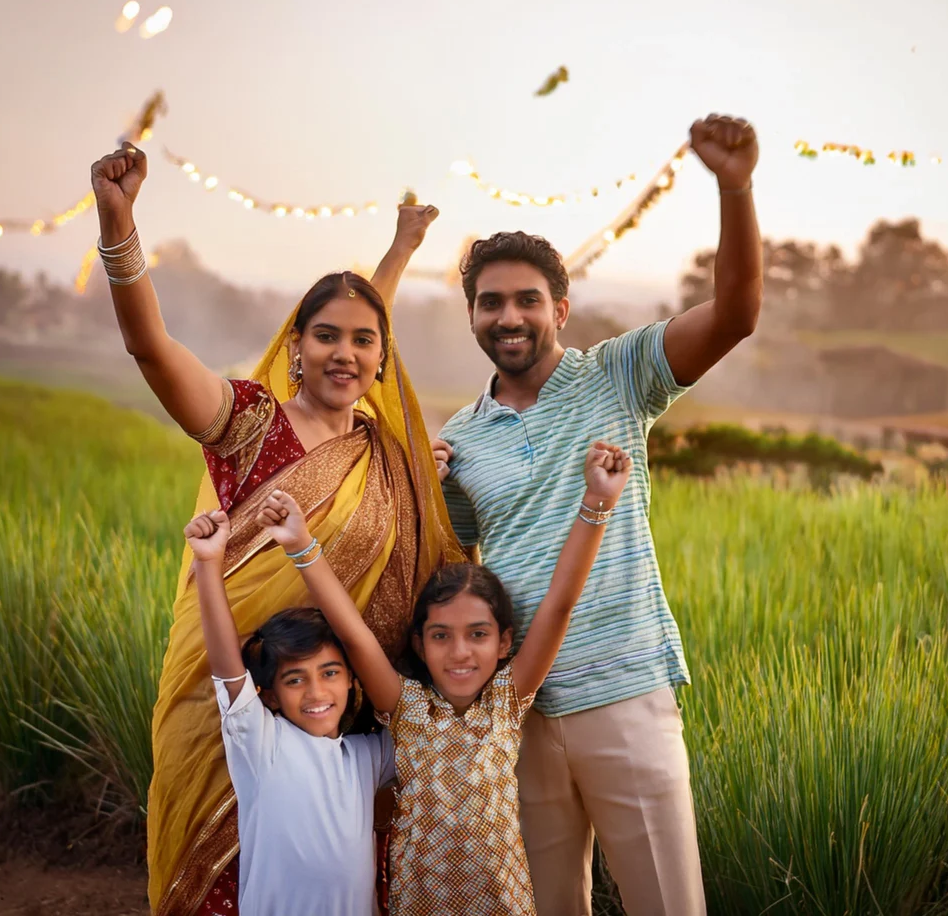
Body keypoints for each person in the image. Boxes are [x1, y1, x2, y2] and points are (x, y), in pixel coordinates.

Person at [89, 143, 464, 916]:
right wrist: (118, 221)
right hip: (230, 712)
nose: (345, 353)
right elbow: (150, 351)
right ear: (295, 346)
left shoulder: (385, 451)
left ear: (383, 357)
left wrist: (399, 249)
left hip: (345, 726)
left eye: (365, 342)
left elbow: (366, 318)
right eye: (326, 335)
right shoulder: (253, 424)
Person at [430, 114, 762, 915]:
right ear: (472, 316)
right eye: (489, 303)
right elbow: (450, 578)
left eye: (526, 301)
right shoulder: (459, 439)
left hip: (624, 695)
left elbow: (735, 313)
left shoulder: (619, 377)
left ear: (562, 308)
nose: (508, 317)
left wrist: (735, 187)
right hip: (522, 711)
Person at [252, 438, 632, 915]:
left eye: (477, 634)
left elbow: (559, 605)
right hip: (420, 902)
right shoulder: (405, 707)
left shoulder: (507, 702)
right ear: (419, 644)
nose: (459, 653)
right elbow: (354, 636)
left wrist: (598, 502)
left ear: (503, 643)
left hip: (502, 901)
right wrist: (300, 544)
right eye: (441, 636)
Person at [183, 508, 395, 915]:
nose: (317, 691)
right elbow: (227, 666)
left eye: (330, 672)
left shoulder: (371, 755)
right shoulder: (262, 743)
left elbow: (423, 722)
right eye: (295, 679)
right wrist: (208, 563)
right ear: (271, 696)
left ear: (353, 680)